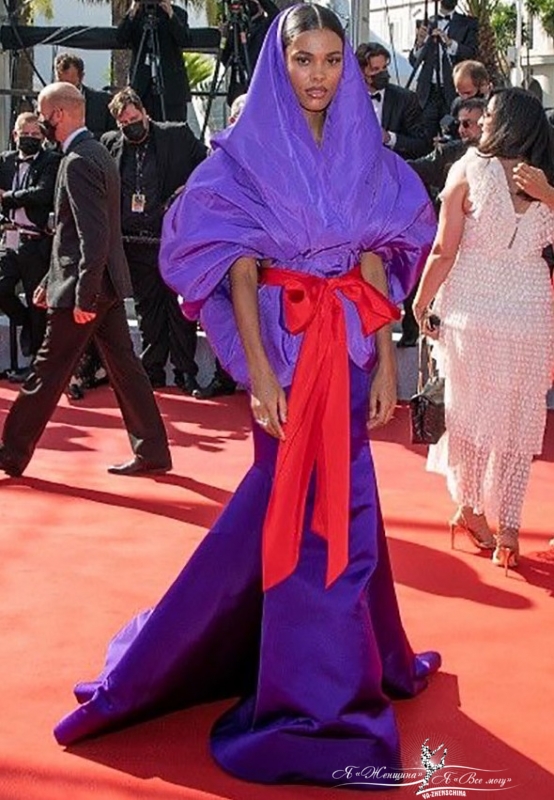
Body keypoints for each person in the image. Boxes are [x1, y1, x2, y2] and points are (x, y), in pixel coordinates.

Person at [53, 7, 440, 787]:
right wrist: (258, 372)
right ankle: (316, 703)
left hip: (349, 349)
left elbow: (375, 258)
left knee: (345, 501)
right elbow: (234, 268)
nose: (319, 74)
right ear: (277, 63)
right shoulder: (242, 152)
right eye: (303, 58)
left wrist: (386, 364)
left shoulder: (368, 149)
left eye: (331, 59)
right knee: (295, 505)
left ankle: (336, 670)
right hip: (285, 352)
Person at [413, 88, 554, 573]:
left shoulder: (469, 168)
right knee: (518, 420)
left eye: (490, 114)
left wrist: (421, 300)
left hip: (473, 310)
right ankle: (508, 529)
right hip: (529, 315)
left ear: (508, 122)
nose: (481, 122)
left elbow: (443, 250)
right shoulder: (544, 177)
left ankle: (471, 509)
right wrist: (548, 196)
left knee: (470, 417)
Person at [0, 83, 171, 479]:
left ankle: (10, 453)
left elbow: (93, 236)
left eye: (42, 112)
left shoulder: (78, 161)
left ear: (58, 114)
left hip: (87, 287)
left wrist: (84, 296)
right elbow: (73, 233)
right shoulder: (95, 153)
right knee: (126, 369)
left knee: (47, 369)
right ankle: (153, 450)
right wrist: (49, 279)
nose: (40, 121)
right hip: (99, 284)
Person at [102, 87, 208, 392]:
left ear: (145, 113)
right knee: (148, 310)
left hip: (173, 242)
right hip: (135, 242)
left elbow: (207, 165)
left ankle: (185, 372)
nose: (131, 126)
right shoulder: (110, 144)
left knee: (179, 310)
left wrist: (186, 190)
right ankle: (152, 371)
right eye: (124, 123)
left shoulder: (176, 135)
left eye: (134, 118)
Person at [0, 113, 62, 369]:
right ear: (15, 135)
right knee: (2, 288)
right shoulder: (5, 160)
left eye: (35, 135)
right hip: (9, 238)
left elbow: (42, 194)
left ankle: (37, 363)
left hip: (36, 242)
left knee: (38, 302)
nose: (29, 139)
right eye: (25, 134)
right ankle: (24, 322)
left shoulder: (51, 160)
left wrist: (8, 197)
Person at [410, 1, 478, 138]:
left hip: (452, 92)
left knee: (453, 134)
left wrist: (450, 43)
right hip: (428, 92)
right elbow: (413, 61)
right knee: (424, 136)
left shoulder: (468, 23)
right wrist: (420, 43)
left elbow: (471, 53)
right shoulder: (428, 22)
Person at [117, 1, 191, 122]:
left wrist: (170, 14)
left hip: (170, 88)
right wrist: (132, 11)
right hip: (142, 89)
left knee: (174, 128)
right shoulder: (137, 15)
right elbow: (121, 38)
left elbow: (185, 40)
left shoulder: (178, 13)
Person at [356, 42, 431, 159]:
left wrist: (389, 138)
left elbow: (422, 144)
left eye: (384, 67)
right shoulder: (346, 99)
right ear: (361, 72)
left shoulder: (405, 99)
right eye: (375, 69)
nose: (382, 73)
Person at [409, 96, 486, 204]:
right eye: (459, 124)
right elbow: (415, 168)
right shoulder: (449, 152)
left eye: (467, 124)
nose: (461, 130)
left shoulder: (503, 155)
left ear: (484, 123)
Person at [53, 53, 116, 140]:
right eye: (61, 84)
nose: (65, 90)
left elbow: (114, 136)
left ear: (81, 77)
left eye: (70, 84)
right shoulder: (49, 104)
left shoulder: (103, 102)